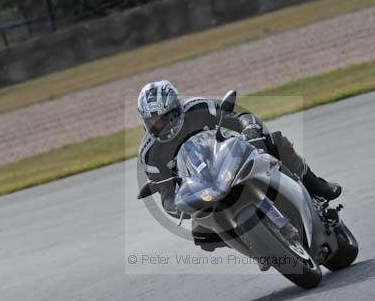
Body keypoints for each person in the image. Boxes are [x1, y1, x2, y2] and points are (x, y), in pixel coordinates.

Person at [138, 80, 341, 250]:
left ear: (177, 108)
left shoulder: (198, 108)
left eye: (165, 118)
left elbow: (238, 118)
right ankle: (253, 242)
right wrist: (177, 206)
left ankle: (316, 186)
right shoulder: (149, 154)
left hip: (230, 156)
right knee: (201, 236)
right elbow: (166, 196)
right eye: (154, 122)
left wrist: (250, 129)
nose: (161, 125)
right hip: (203, 187)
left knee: (275, 141)